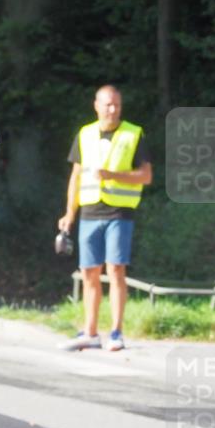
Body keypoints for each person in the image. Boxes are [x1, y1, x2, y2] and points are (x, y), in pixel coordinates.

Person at [57, 85, 152, 352]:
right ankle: (90, 332)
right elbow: (76, 177)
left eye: (117, 105)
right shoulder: (85, 134)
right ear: (96, 105)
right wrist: (69, 214)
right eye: (108, 105)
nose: (113, 110)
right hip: (89, 211)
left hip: (119, 212)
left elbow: (146, 176)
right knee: (89, 271)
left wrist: (113, 176)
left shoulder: (133, 134)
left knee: (116, 268)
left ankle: (116, 333)